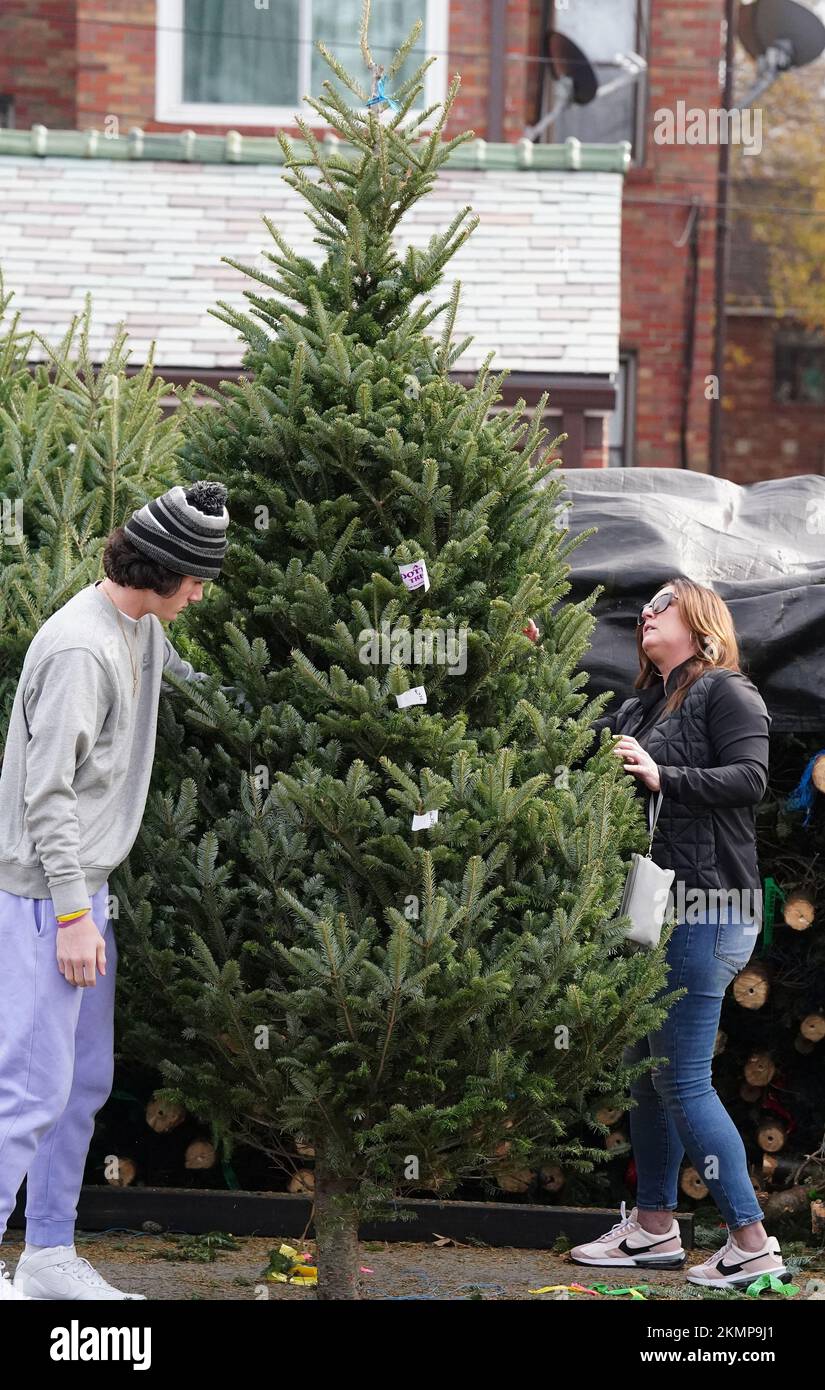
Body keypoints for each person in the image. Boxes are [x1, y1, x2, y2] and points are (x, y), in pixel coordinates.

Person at [0, 480, 230, 1300]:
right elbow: (46, 795)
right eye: (197, 579)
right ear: (162, 568)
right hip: (42, 898)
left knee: (80, 1082)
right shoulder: (79, 649)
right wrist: (69, 913)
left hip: (84, 896)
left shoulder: (140, 630)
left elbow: (197, 690)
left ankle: (47, 1258)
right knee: (27, 1089)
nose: (201, 594)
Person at [570, 577, 791, 1290]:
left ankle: (751, 1242)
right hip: (656, 913)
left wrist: (664, 775)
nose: (647, 612)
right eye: (646, 606)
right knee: (645, 1070)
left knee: (683, 1080)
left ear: (699, 623)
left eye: (662, 603)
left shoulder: (727, 691)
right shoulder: (645, 702)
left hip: (710, 909)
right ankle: (654, 1227)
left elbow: (749, 778)